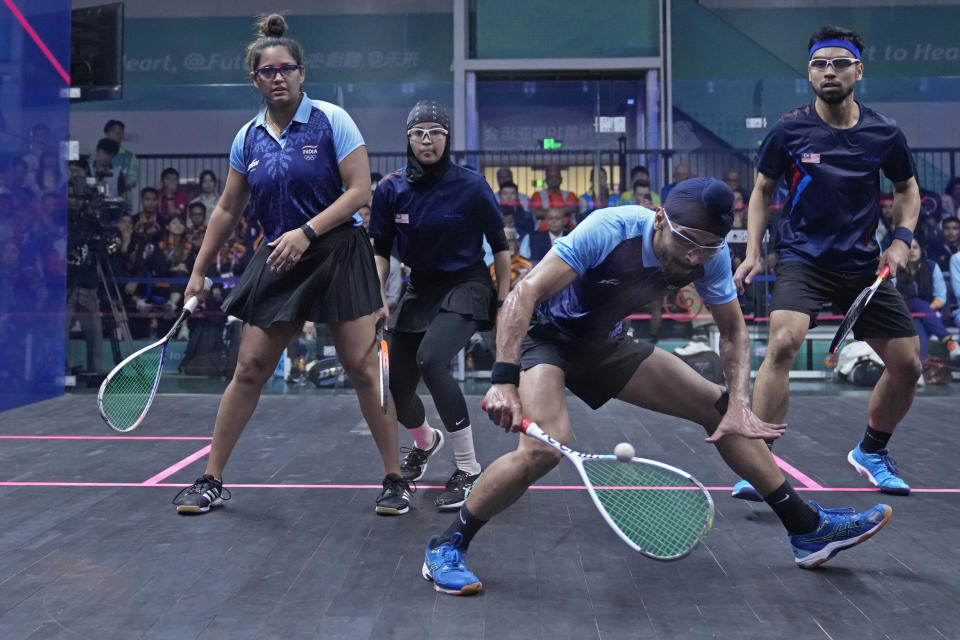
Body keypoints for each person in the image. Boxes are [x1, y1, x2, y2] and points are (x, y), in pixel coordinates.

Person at [421, 178, 892, 596]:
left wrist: (742, 404)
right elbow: (524, 294)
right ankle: (446, 547)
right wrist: (503, 380)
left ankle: (806, 529)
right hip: (545, 339)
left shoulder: (708, 257)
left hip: (605, 345)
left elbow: (732, 331)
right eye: (686, 241)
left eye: (706, 248)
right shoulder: (608, 229)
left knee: (718, 408)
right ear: (660, 219)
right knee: (545, 448)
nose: (693, 256)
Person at [171, 14, 406, 515]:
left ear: (302, 73)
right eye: (267, 71)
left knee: (364, 370)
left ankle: (394, 478)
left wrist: (307, 232)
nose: (278, 77)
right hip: (278, 254)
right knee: (251, 367)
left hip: (338, 250)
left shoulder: (331, 120)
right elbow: (228, 210)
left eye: (287, 69)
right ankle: (211, 479)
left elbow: (361, 191)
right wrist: (198, 268)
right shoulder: (247, 138)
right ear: (254, 79)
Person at [733, 25, 922, 500]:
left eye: (839, 62)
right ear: (809, 72)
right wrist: (754, 250)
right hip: (803, 259)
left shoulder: (884, 132)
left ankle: (872, 452)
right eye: (820, 63)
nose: (829, 71)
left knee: (908, 366)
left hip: (863, 267)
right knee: (782, 344)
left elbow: (906, 190)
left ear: (858, 69)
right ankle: (760, 459)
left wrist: (900, 240)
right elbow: (761, 189)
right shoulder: (789, 128)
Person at [370, 100, 510, 511]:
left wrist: (503, 301)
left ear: (447, 138)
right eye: (418, 132)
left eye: (435, 131)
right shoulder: (391, 189)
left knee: (432, 360)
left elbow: (500, 248)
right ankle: (426, 442)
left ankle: (468, 467)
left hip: (467, 284)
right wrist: (378, 296)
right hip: (421, 289)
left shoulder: (471, 185)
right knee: (395, 383)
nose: (426, 139)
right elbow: (380, 250)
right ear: (408, 139)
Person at [895, 239, 959, 364]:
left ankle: (920, 370)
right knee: (915, 302)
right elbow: (892, 295)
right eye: (908, 248)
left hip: (928, 316)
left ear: (921, 250)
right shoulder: (895, 268)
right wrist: (924, 309)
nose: (912, 251)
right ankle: (951, 345)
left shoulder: (931, 266)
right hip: (903, 312)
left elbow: (941, 297)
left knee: (919, 331)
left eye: (915, 247)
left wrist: (927, 310)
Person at [529, 165, 578, 232]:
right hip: (542, 233)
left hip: (567, 232)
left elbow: (572, 208)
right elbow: (538, 213)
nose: (554, 179)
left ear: (561, 179)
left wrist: (545, 211)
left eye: (556, 177)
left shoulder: (570, 195)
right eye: (551, 177)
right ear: (546, 180)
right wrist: (564, 210)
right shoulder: (537, 195)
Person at [103, 120, 139, 210]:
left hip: (123, 202)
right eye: (113, 131)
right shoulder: (95, 155)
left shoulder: (130, 156)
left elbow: (133, 179)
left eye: (120, 132)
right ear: (106, 133)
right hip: (101, 201)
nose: (117, 134)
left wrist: (118, 185)